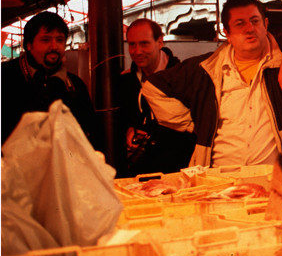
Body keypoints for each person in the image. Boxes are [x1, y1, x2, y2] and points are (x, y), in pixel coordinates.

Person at [141, 0, 282, 170]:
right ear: (226, 33)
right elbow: (153, 88)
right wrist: (197, 124)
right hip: (218, 180)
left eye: (255, 21)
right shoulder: (205, 68)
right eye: (240, 24)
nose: (250, 29)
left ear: (266, 24)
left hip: (278, 181)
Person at [1, 11, 100, 148]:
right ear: (29, 45)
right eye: (45, 40)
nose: (54, 46)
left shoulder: (75, 86)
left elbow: (92, 137)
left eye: (59, 40)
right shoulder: (5, 76)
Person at [115, 18, 196, 177]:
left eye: (144, 43)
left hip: (176, 171)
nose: (137, 51)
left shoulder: (182, 78)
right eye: (132, 44)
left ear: (160, 42)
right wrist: (129, 130)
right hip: (139, 173)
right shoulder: (125, 82)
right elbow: (122, 119)